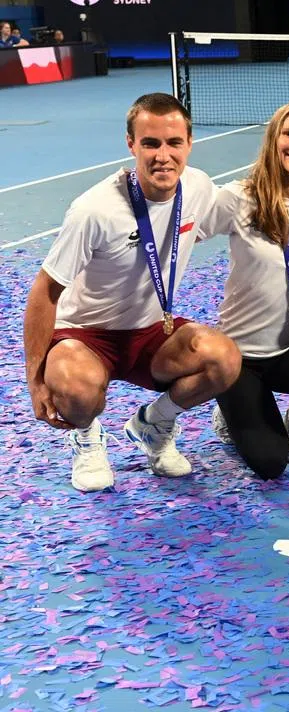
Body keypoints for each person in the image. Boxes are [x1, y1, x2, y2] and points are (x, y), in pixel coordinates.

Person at [23, 93, 241, 492]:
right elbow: (44, 291)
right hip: (86, 337)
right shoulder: (95, 210)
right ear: (131, 144)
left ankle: (155, 423)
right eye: (150, 143)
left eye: (174, 143)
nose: (163, 155)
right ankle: (86, 437)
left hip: (153, 333)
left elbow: (233, 211)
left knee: (223, 359)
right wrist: (35, 381)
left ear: (190, 144)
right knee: (74, 387)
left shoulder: (198, 188)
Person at [199, 103, 289, 480]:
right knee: (269, 463)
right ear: (273, 140)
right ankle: (231, 405)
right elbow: (183, 233)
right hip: (238, 358)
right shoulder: (239, 198)